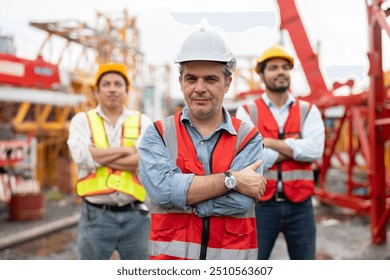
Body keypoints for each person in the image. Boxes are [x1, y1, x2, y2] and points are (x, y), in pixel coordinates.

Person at [138, 29, 266, 260]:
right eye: (191, 78)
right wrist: (233, 180)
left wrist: (181, 198)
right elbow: (161, 192)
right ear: (180, 82)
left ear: (227, 83)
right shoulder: (157, 133)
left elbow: (241, 202)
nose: (199, 88)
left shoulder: (249, 137)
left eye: (210, 79)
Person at [236, 45, 325, 260]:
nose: (280, 72)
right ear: (262, 75)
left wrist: (269, 143)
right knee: (251, 266)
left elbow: (315, 150)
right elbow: (250, 159)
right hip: (262, 206)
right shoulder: (247, 111)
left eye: (285, 67)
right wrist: (295, 148)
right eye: (273, 68)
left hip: (301, 206)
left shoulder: (308, 110)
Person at [67, 63, 151, 260]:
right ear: (97, 92)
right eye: (106, 84)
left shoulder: (143, 121)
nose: (112, 88)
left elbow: (145, 161)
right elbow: (80, 157)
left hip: (136, 218)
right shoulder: (82, 120)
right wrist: (126, 150)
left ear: (126, 90)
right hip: (96, 215)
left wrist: (96, 155)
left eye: (117, 84)